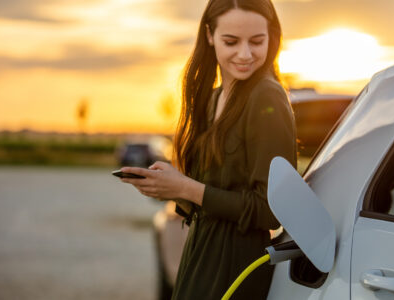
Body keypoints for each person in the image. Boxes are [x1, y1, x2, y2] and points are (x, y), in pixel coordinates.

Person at [119, 0, 297, 298]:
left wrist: (188, 189)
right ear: (209, 35)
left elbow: (270, 212)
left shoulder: (266, 98)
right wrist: (171, 187)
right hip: (199, 257)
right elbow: (210, 200)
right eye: (231, 41)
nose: (245, 54)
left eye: (257, 41)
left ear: (272, 38)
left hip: (236, 269)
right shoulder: (212, 100)